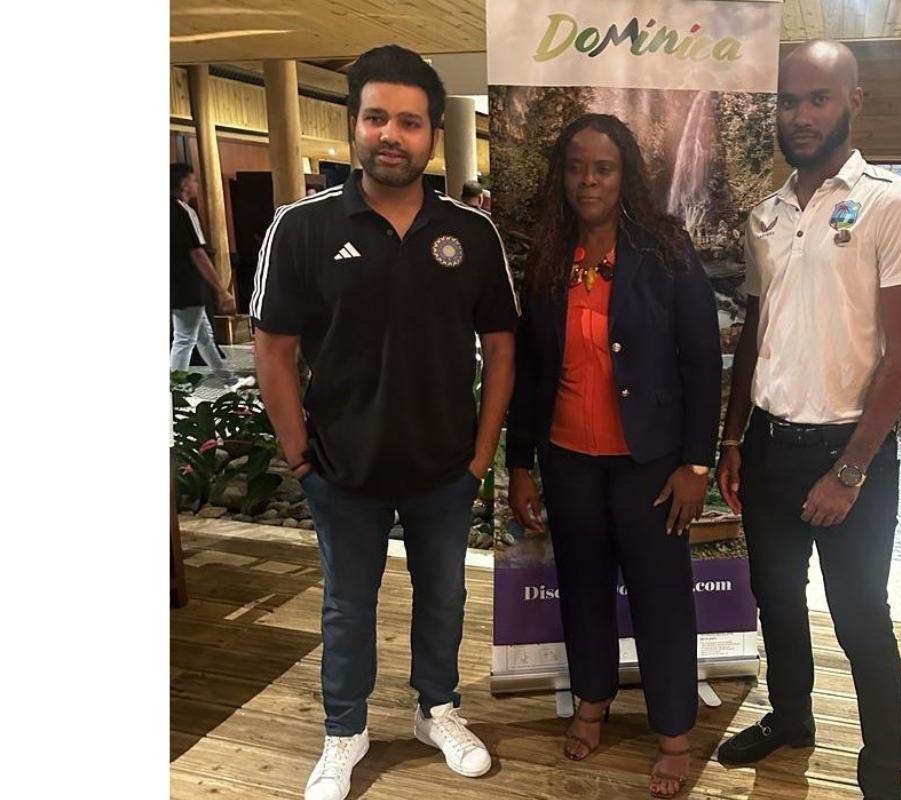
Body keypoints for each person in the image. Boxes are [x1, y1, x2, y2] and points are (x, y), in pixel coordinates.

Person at [250, 45, 518, 800]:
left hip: (445, 466)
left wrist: (481, 455)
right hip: (342, 468)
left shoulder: (470, 233)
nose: (390, 135)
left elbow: (501, 346)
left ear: (435, 132)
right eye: (376, 118)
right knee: (347, 605)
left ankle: (437, 709)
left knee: (444, 597)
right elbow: (272, 348)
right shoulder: (299, 229)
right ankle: (345, 731)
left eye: (409, 120)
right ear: (354, 127)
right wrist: (301, 457)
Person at [715, 41, 901, 800]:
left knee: (859, 617)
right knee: (776, 600)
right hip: (771, 446)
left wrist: (850, 470)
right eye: (788, 100)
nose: (801, 115)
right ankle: (791, 718)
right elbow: (754, 336)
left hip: (854, 454)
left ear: (853, 101)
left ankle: (884, 772)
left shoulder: (893, 204)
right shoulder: (766, 214)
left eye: (818, 98)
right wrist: (735, 436)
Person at [505, 113, 721, 799]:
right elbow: (532, 370)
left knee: (661, 598)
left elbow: (701, 363)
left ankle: (674, 733)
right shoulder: (548, 254)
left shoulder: (665, 250)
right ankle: (592, 700)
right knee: (584, 589)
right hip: (569, 459)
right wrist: (519, 463)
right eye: (576, 166)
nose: (587, 180)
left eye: (603, 167)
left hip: (650, 464)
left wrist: (696, 463)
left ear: (626, 173)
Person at [169, 163, 240, 385]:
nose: (196, 185)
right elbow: (198, 253)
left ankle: (228, 378)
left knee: (204, 336)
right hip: (186, 286)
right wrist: (221, 290)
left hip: (177, 285)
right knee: (184, 339)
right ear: (184, 185)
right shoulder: (182, 211)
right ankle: (176, 387)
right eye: (194, 181)